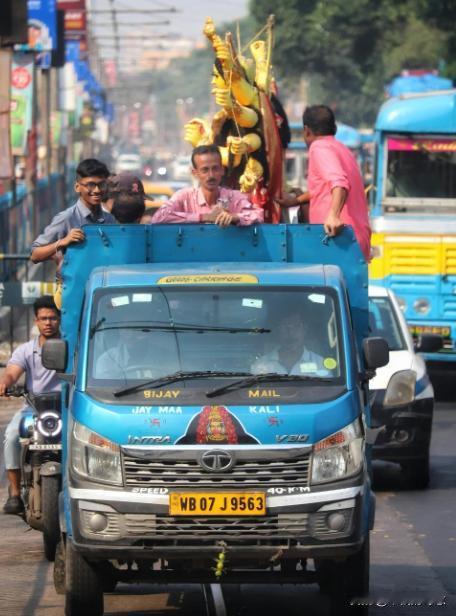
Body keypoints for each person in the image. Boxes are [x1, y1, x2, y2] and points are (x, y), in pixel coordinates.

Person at [278, 105, 371, 260]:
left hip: (340, 240)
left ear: (306, 130)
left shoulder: (319, 147)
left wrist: (333, 216)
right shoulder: (342, 149)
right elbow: (324, 189)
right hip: (356, 240)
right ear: (334, 128)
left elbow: (340, 183)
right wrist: (295, 201)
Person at [0, 296, 61, 514]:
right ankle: (15, 493)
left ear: (60, 319)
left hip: (66, 408)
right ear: (36, 321)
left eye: (52, 318)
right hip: (34, 408)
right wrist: (5, 383)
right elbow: (12, 372)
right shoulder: (26, 350)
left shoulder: (72, 347)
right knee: (11, 435)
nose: (48, 323)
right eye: (43, 318)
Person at [151, 144, 264, 226]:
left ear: (222, 170)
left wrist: (236, 217)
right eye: (205, 170)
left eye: (215, 169)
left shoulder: (234, 197)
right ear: (195, 173)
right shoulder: (184, 197)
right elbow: (159, 217)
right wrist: (204, 217)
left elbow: (259, 215)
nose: (211, 175)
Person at [30, 159, 116, 264]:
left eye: (101, 185)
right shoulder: (66, 218)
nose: (97, 190)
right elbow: (35, 255)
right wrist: (63, 242)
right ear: (77, 187)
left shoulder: (109, 219)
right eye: (90, 185)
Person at [251, 307, 329, 376]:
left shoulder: (320, 364)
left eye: (296, 325)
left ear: (305, 329)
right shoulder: (260, 365)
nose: (290, 332)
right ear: (277, 331)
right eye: (284, 326)